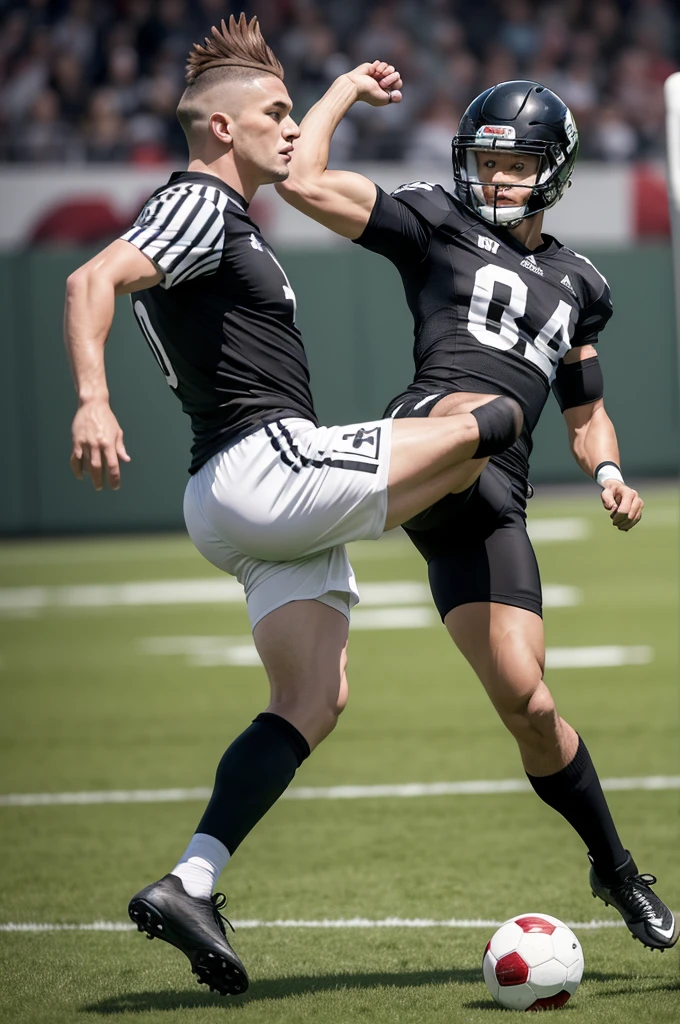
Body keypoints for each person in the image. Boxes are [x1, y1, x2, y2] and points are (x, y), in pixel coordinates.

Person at [63, 17, 524, 996]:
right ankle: (468, 552)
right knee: (490, 416)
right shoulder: (197, 203)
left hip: (235, 500)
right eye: (272, 112)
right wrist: (92, 397)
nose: (286, 127)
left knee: (313, 699)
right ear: (219, 129)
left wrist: (338, 93)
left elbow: (290, 162)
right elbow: (91, 276)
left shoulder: (230, 207)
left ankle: (192, 879)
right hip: (265, 469)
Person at [276, 66, 677, 951]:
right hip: (433, 431)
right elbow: (300, 180)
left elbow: (586, 411)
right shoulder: (435, 222)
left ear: (556, 170)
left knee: (530, 705)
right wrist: (341, 89)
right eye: (485, 161)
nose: (495, 179)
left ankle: (615, 869)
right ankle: (320, 486)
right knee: (471, 423)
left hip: (499, 504)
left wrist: (606, 469)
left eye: (516, 163)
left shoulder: (580, 283)